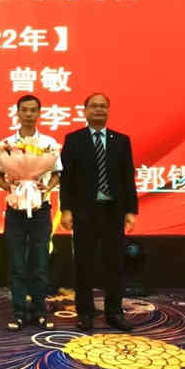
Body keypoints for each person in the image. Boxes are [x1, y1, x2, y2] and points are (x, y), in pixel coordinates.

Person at [59, 93, 138, 332]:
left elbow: (128, 177)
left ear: (108, 111)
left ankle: (114, 312)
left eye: (103, 106)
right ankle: (85, 313)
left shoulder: (121, 140)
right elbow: (66, 179)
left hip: (113, 211)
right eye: (94, 106)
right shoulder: (74, 140)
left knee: (114, 263)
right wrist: (66, 209)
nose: (99, 110)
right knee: (84, 263)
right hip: (84, 211)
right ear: (85, 111)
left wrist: (131, 211)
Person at [0, 95, 62, 331]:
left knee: (40, 263)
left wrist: (47, 188)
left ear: (39, 113)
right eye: (24, 110)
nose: (28, 114)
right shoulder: (6, 144)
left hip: (40, 209)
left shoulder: (48, 143)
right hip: (15, 211)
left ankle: (40, 311)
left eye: (33, 110)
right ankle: (18, 312)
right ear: (17, 112)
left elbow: (58, 173)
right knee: (17, 263)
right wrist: (11, 188)